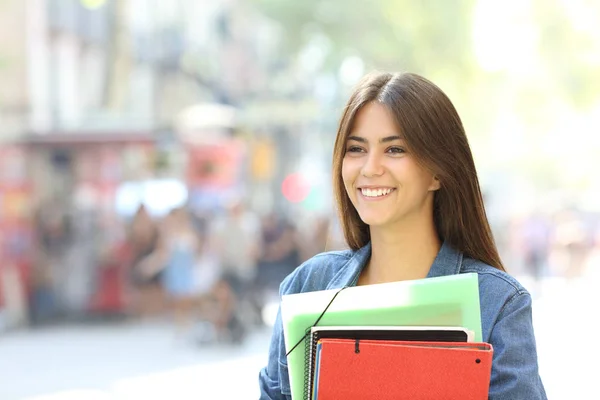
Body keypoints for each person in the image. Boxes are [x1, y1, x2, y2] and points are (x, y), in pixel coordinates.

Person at [258, 72, 547, 399]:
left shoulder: (496, 303)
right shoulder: (307, 286)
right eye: (356, 149)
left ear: (437, 172)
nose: (370, 168)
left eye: (394, 149)